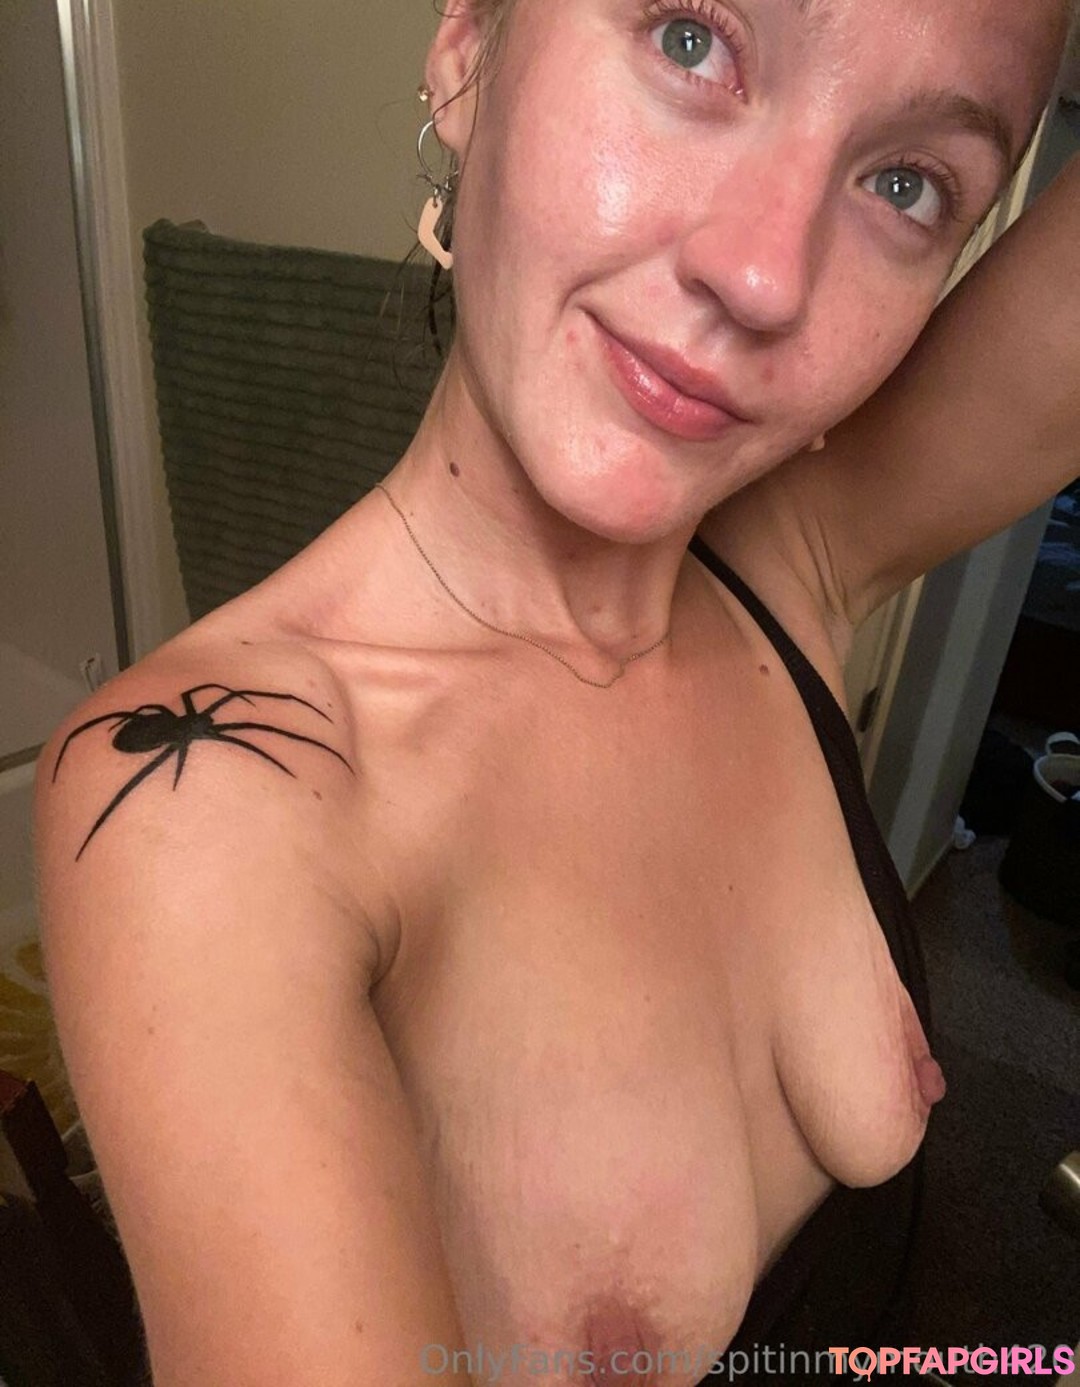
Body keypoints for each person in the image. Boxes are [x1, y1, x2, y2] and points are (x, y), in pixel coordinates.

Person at [33, 1, 1080, 1383]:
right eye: (694, 40)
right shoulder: (216, 806)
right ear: (470, 47)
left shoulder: (790, 573)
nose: (764, 275)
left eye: (907, 184)